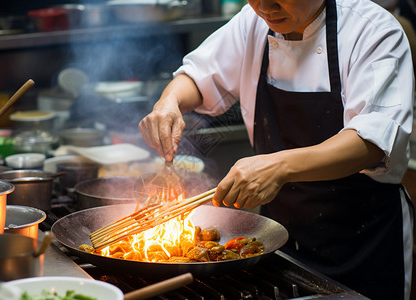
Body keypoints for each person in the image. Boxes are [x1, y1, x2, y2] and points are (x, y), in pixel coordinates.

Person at [138, 0, 415, 299]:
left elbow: (371, 143)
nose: (265, 6)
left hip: (362, 247)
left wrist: (279, 167)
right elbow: (198, 75)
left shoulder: (373, 30)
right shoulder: (253, 22)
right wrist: (170, 101)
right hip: (277, 242)